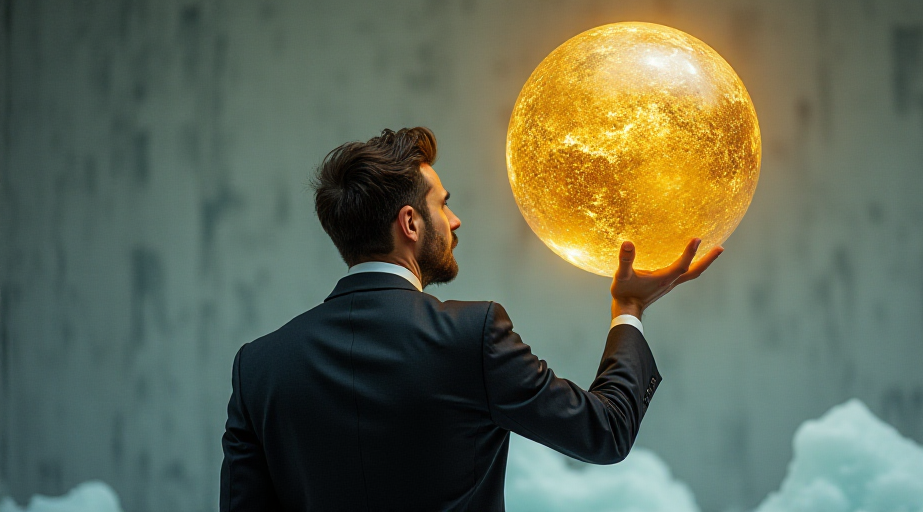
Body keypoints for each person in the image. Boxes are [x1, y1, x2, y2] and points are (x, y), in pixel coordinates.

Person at [220, 127, 723, 511]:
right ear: (410, 223)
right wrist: (629, 310)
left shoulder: (258, 367)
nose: (455, 220)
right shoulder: (472, 335)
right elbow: (605, 432)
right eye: (443, 204)